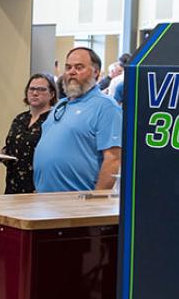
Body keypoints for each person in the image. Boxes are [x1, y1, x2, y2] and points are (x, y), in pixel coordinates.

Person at [34, 47, 123, 192]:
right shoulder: (60, 105)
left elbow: (113, 159)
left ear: (96, 72)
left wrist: (95, 201)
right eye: (68, 67)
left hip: (78, 203)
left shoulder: (106, 107)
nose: (71, 72)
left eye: (79, 67)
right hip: (45, 200)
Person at [0, 74, 57, 194]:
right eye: (32, 89)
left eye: (41, 89)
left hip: (39, 188)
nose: (35, 93)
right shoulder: (20, 119)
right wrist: (3, 155)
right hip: (13, 186)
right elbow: (12, 146)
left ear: (52, 94)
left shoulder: (54, 120)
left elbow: (56, 156)